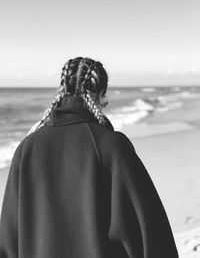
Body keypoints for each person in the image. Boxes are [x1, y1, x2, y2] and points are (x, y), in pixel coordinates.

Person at [0, 57, 179, 257]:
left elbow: (8, 241)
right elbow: (149, 229)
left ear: (61, 90)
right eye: (105, 96)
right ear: (100, 95)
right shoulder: (111, 146)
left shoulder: (26, 149)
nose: (106, 102)